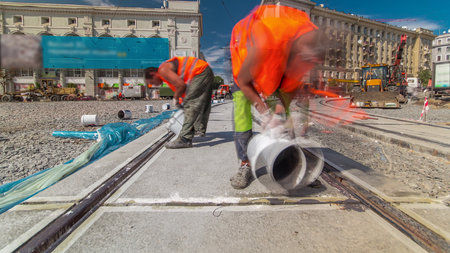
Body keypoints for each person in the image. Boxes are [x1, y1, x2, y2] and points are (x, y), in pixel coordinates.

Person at [229, 4, 325, 189]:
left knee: (283, 112)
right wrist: (264, 111)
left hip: (276, 64)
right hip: (243, 65)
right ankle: (245, 163)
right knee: (242, 109)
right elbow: (244, 82)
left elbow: (294, 86)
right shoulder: (265, 43)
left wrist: (295, 117)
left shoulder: (308, 42)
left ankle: (290, 158)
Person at [144, 56, 214, 149]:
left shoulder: (163, 70)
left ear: (153, 74)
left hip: (200, 71)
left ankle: (185, 139)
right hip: (204, 70)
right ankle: (198, 129)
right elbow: (184, 88)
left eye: (151, 82)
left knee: (192, 104)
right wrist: (182, 100)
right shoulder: (166, 72)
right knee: (202, 103)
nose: (154, 84)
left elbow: (181, 85)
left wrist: (176, 98)